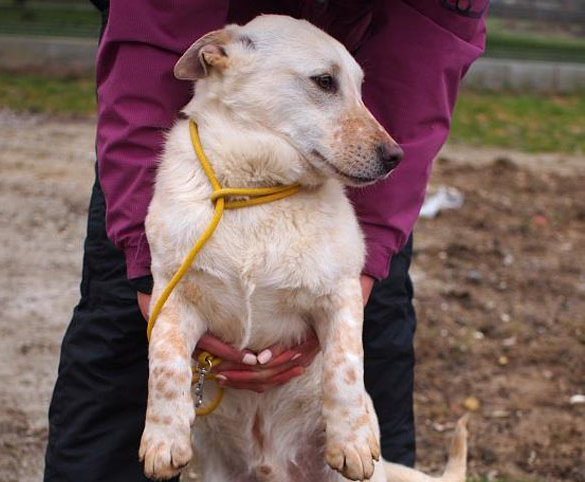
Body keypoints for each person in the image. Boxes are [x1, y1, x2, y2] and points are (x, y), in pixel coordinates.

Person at [44, 1, 488, 481]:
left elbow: (420, 68)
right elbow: (148, 51)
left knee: (373, 335)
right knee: (116, 342)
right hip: (201, 107)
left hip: (326, 165)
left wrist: (370, 255)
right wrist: (143, 255)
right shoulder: (231, 58)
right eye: (324, 83)